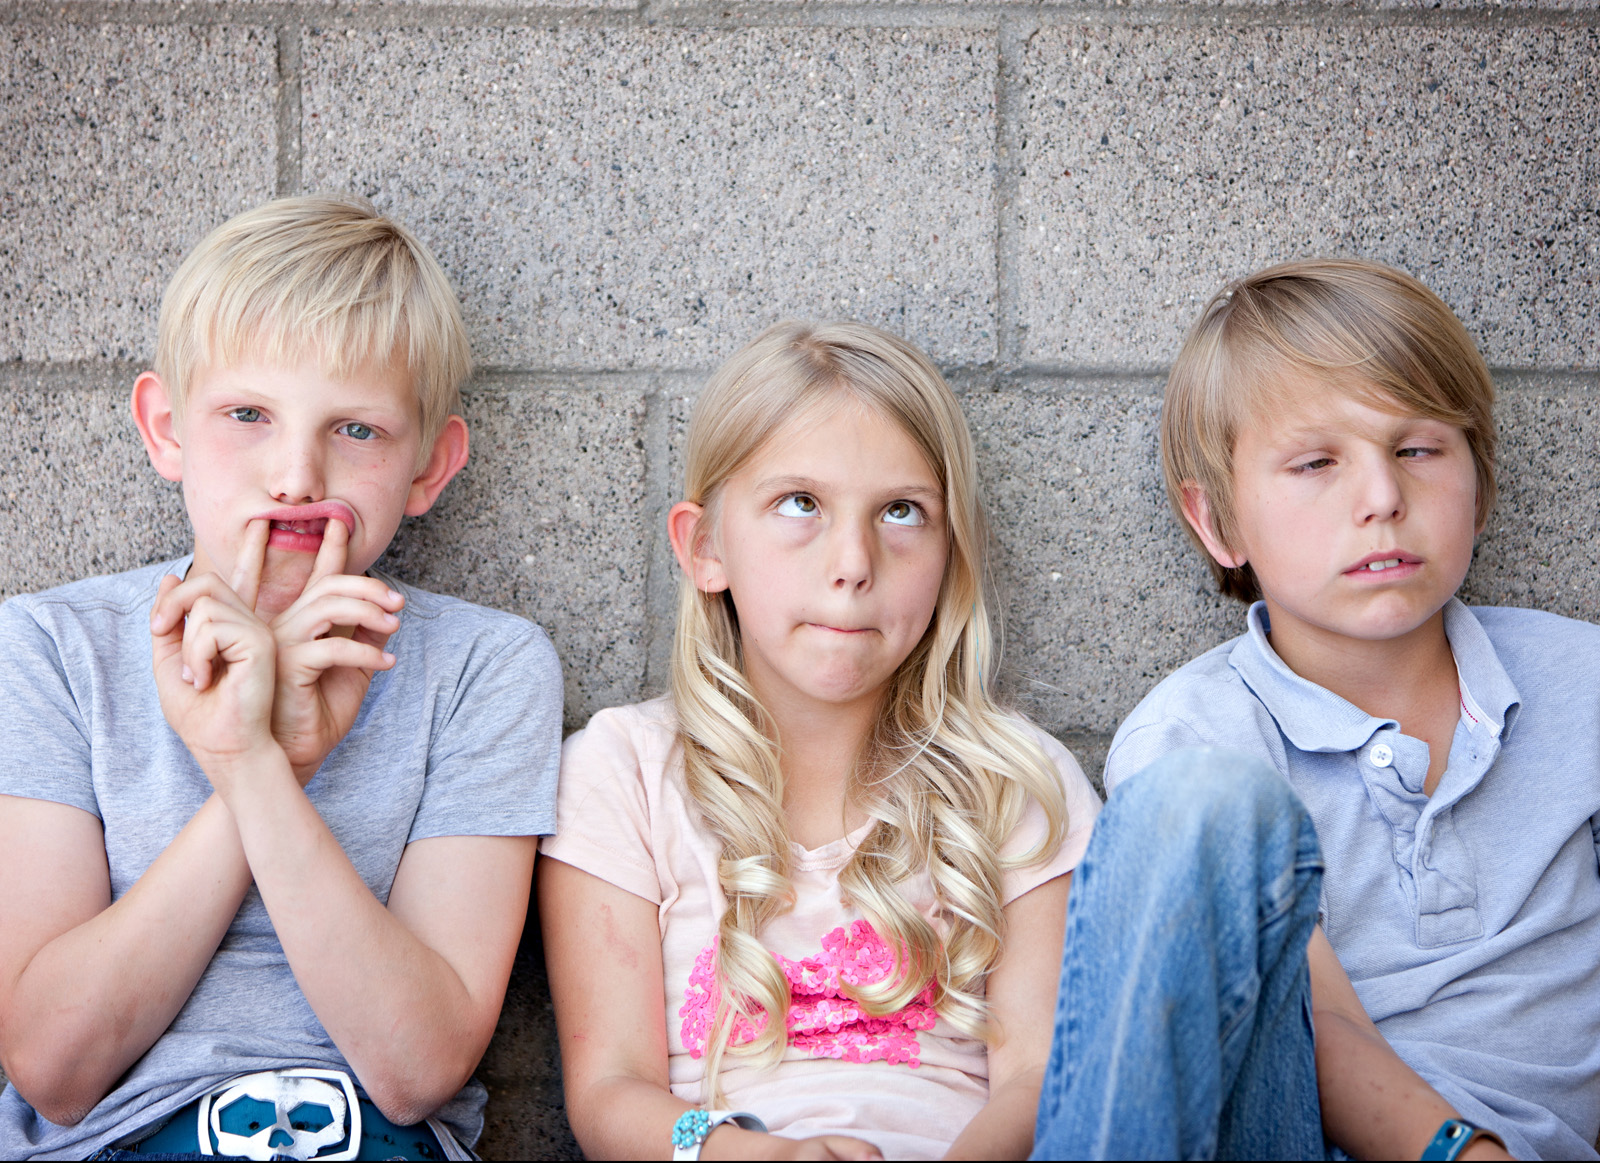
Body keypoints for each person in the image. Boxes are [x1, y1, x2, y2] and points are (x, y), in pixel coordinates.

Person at [0, 196, 563, 1160]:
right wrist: (252, 755)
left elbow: (418, 1069)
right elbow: (54, 1067)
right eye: (248, 415)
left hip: (368, 1135)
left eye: (358, 430)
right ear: (166, 428)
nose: (297, 475)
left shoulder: (487, 667)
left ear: (430, 465)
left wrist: (263, 771)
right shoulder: (51, 647)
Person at [1033, 259, 1598, 1160]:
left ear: (1480, 479)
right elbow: (1317, 1023)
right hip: (1297, 1135)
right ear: (1218, 521)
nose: (1382, 499)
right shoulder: (1195, 733)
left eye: (1417, 449)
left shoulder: (1580, 680)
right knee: (1197, 802)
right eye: (1316, 463)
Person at [539, 320, 1102, 1160]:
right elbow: (610, 1093)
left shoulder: (1018, 782)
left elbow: (1038, 1077)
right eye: (799, 503)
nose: (853, 562)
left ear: (950, 552)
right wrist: (753, 1156)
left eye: (902, 512)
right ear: (704, 546)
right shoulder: (623, 772)